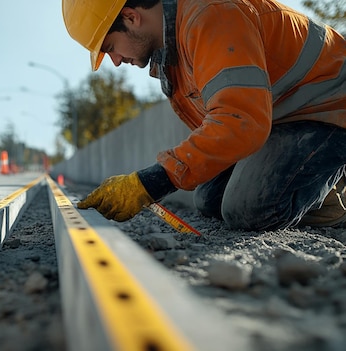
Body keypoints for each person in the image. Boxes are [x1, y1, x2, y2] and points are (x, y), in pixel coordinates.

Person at [63, 0, 346, 230]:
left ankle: (330, 200)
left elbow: (240, 121)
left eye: (110, 47)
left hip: (327, 107)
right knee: (209, 199)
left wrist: (151, 182)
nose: (114, 61)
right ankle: (312, 180)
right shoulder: (171, 50)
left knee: (249, 208)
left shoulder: (212, 15)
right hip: (278, 118)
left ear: (131, 17)